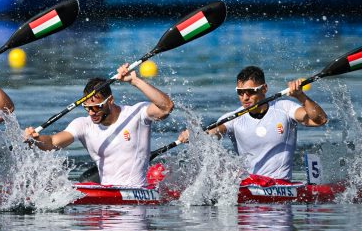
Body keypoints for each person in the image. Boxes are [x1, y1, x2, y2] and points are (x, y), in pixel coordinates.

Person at [24, 64, 174, 187]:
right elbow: (52, 143)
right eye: (87, 108)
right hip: (106, 203)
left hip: (138, 198)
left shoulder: (136, 114)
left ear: (110, 101)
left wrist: (135, 81)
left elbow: (166, 107)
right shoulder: (83, 125)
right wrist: (36, 139)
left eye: (96, 107)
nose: (91, 113)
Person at [179, 66, 327, 182]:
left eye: (250, 92)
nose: (245, 97)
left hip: (280, 184)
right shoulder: (233, 118)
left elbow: (320, 120)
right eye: (240, 92)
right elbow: (213, 132)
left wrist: (301, 96)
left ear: (264, 89)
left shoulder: (285, 108)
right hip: (250, 183)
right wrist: (196, 134)